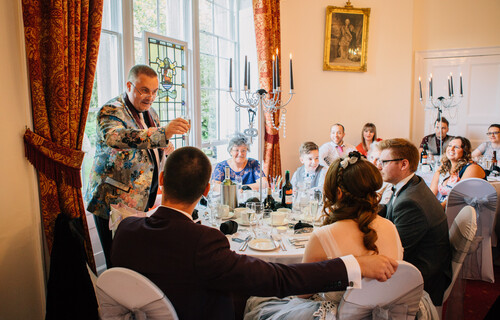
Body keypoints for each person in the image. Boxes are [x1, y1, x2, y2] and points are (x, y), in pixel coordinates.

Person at [111, 146, 398, 320]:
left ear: (161, 181)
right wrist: (353, 265)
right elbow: (280, 278)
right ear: (207, 190)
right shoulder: (203, 242)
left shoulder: (125, 229)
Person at [245, 151, 403, 319]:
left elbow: (302, 292)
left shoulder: (322, 236)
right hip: (387, 314)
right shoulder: (391, 228)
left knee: (257, 299)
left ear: (339, 193)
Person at [85, 64, 189, 267]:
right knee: (116, 259)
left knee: (134, 256)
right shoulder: (111, 110)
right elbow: (115, 138)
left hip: (141, 199)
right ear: (129, 86)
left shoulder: (151, 112)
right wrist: (163, 133)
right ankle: (114, 298)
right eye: (144, 90)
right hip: (112, 200)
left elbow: (148, 142)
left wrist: (164, 145)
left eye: (154, 91)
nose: (150, 97)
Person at [377, 138, 452, 306]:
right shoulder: (411, 184)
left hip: (423, 275)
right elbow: (388, 213)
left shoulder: (411, 202)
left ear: (403, 164)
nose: (379, 166)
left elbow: (395, 252)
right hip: (421, 263)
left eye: (384, 162)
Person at [431, 136, 486, 208]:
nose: (451, 149)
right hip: (443, 208)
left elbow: (457, 197)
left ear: (464, 151)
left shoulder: (472, 168)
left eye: (456, 147)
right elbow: (431, 194)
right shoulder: (443, 167)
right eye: (449, 146)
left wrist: (436, 210)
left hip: (463, 210)